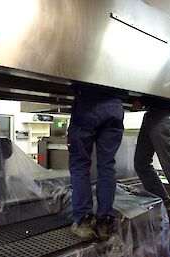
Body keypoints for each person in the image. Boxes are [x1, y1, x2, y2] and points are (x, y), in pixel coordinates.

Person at [68, 83, 124, 241]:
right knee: (107, 165)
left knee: (80, 164)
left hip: (89, 99)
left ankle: (84, 221)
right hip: (115, 105)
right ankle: (104, 223)